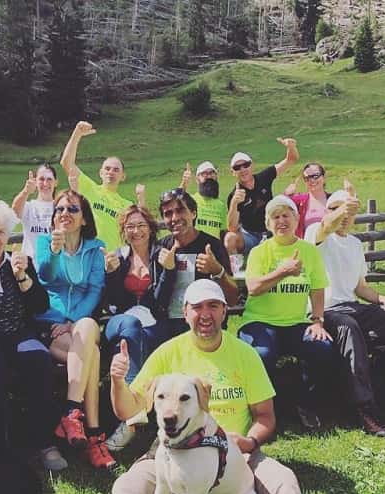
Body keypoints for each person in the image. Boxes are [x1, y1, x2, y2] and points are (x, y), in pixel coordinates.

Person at [10, 279, 385, 494]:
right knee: (130, 487)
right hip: (172, 449)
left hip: (236, 453)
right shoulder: (169, 353)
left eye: (213, 306)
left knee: (283, 483)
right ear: (186, 311)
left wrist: (250, 443)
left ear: (224, 311)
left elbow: (266, 418)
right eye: (196, 308)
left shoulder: (244, 354)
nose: (205, 315)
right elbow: (128, 411)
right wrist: (120, 381)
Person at [306, 189, 385, 436]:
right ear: (327, 212)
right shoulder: (317, 234)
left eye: (350, 211)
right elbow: (325, 225)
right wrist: (345, 206)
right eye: (336, 209)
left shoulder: (354, 244)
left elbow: (360, 287)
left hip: (353, 307)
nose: (344, 216)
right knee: (348, 327)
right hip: (326, 311)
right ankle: (364, 408)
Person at [0, 200, 66, 471]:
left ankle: (42, 442)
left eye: (1, 232)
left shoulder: (18, 262)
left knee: (39, 359)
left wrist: (22, 277)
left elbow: (39, 306)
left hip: (16, 331)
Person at [238, 195, 334, 430]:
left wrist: (318, 321)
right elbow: (254, 288)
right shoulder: (260, 252)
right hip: (260, 321)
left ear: (296, 219)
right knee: (262, 354)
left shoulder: (308, 251)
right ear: (268, 224)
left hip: (295, 322)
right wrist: (282, 272)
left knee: (322, 347)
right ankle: (264, 410)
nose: (281, 221)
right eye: (275, 217)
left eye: (286, 215)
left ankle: (306, 403)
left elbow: (318, 288)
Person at [35, 190, 114, 470]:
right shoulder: (45, 243)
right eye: (59, 209)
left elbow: (95, 290)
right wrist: (55, 253)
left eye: (72, 209)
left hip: (79, 324)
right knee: (90, 352)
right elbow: (44, 276)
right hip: (50, 324)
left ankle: (70, 412)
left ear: (84, 218)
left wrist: (73, 320)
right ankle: (94, 436)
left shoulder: (95, 248)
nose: (65, 213)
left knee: (88, 326)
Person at [101, 205, 177, 452]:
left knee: (148, 338)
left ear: (151, 228)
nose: (136, 231)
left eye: (141, 225)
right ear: (124, 231)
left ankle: (135, 419)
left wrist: (168, 270)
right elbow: (113, 303)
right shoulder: (119, 257)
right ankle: (134, 413)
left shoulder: (161, 255)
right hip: (121, 321)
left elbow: (160, 302)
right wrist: (112, 274)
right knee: (133, 325)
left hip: (152, 320)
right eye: (130, 226)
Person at [157, 188, 238, 335]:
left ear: (193, 213)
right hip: (170, 327)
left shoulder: (212, 246)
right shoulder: (161, 248)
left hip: (206, 325)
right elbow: (157, 302)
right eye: (168, 214)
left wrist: (217, 271)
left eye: (180, 210)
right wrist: (167, 271)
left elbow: (232, 299)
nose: (174, 218)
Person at [60, 121, 146, 250]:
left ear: (123, 176)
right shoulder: (89, 188)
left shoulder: (127, 205)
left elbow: (142, 228)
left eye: (116, 170)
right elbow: (66, 163)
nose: (111, 172)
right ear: (100, 173)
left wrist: (141, 200)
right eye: (107, 169)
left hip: (114, 261)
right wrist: (77, 133)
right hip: (89, 256)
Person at [224, 137, 300, 261]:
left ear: (252, 165)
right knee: (230, 238)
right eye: (237, 168)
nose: (243, 169)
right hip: (250, 236)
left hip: (272, 231)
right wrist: (234, 203)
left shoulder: (264, 177)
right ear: (233, 172)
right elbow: (232, 228)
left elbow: (291, 160)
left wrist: (291, 147)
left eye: (246, 165)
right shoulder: (235, 195)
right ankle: (236, 271)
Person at [12, 164, 60, 261]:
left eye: (49, 179)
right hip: (30, 267)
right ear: (36, 182)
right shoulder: (29, 206)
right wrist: (26, 191)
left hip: (53, 266)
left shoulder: (61, 208)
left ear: (56, 182)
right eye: (41, 179)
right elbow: (15, 212)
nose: (45, 183)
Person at [179, 161, 227, 241]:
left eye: (212, 173)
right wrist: (184, 184)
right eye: (204, 174)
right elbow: (176, 200)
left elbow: (223, 231)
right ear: (197, 179)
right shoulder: (191, 200)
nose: (208, 176)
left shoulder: (220, 205)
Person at [284, 162, 330, 239]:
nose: (311, 180)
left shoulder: (333, 199)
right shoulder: (299, 200)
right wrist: (286, 195)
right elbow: (278, 208)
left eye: (315, 176)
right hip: (307, 246)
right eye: (307, 178)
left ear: (324, 177)